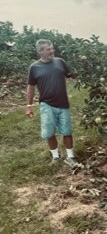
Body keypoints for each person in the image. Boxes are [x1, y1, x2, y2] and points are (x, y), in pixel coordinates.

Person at [26, 39, 78, 167]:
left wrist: (81, 74)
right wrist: (29, 106)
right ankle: (55, 157)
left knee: (67, 131)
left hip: (63, 102)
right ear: (40, 52)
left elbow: (71, 75)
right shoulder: (34, 67)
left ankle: (70, 156)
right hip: (46, 104)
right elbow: (30, 86)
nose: (52, 51)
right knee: (49, 132)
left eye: (52, 48)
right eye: (48, 49)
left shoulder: (60, 62)